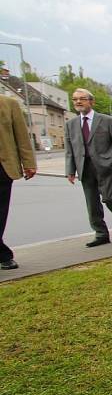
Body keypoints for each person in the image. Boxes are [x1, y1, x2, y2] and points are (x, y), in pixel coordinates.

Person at [65, 88, 112, 247]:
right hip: (85, 168)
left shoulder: (107, 120)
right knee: (92, 204)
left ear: (91, 101)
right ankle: (101, 234)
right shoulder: (71, 124)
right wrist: (70, 170)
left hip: (105, 167)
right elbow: (70, 149)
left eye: (82, 98)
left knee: (109, 198)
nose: (78, 102)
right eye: (75, 99)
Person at [0, 94, 36, 269]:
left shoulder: (9, 104)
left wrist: (29, 163)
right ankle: (3, 254)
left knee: (0, 213)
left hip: (2, 168)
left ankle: (3, 255)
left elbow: (22, 137)